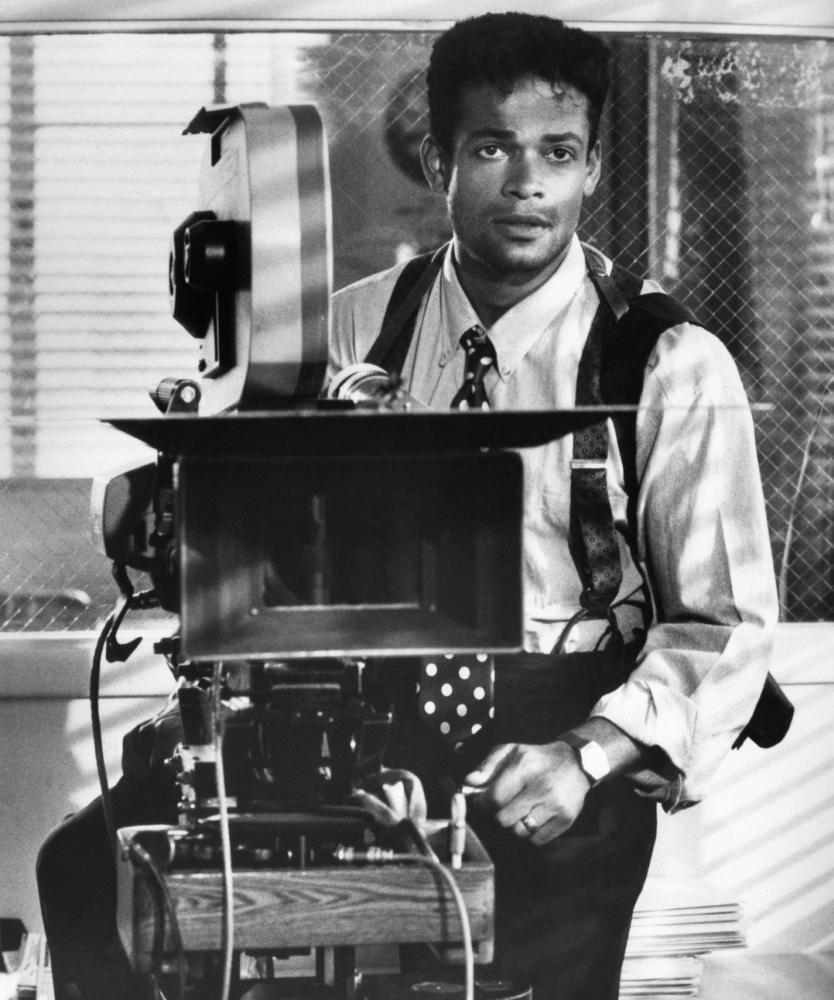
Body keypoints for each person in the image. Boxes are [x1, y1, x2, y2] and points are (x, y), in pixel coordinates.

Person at [327, 11, 778, 1000]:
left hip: (568, 716)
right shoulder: (362, 325)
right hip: (381, 715)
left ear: (594, 168)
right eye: (493, 147)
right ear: (440, 158)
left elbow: (726, 621)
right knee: (99, 869)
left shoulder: (668, 360)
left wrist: (590, 751)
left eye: (558, 152)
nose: (528, 182)